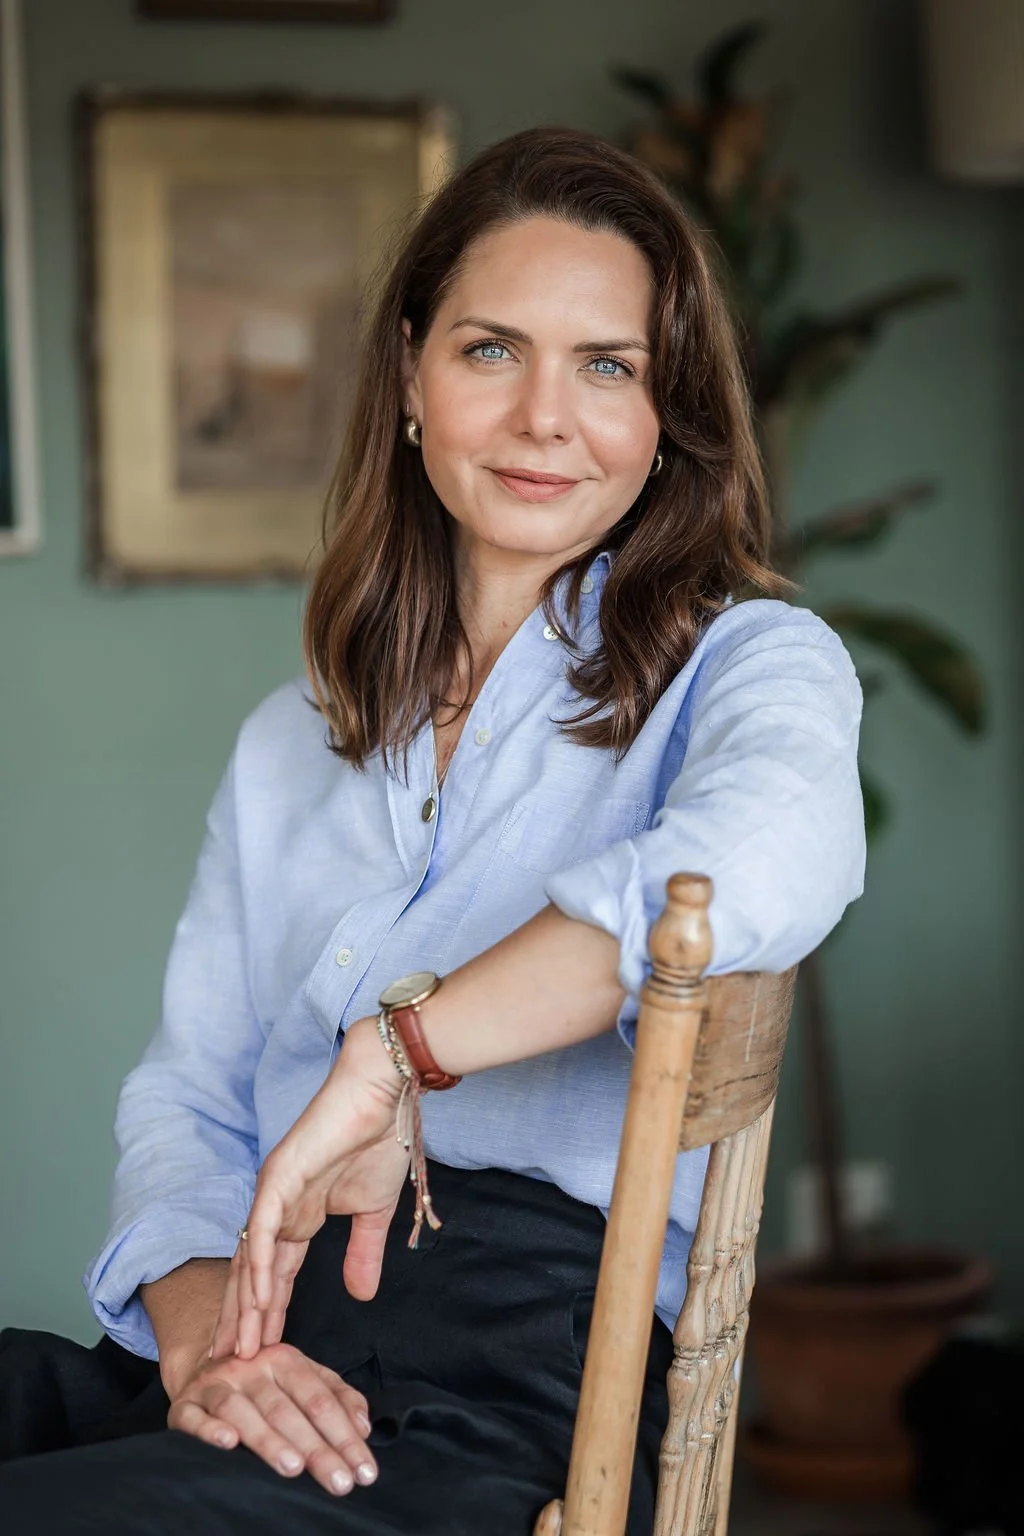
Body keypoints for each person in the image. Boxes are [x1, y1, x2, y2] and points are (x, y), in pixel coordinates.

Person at [0, 126, 865, 1533]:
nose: (545, 416)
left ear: (665, 423)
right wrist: (215, 1333)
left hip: (499, 1380)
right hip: (248, 1332)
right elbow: (188, 1093)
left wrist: (400, 1049)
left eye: (609, 366)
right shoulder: (298, 735)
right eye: (490, 350)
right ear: (409, 375)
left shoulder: (752, 665)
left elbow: (750, 869)